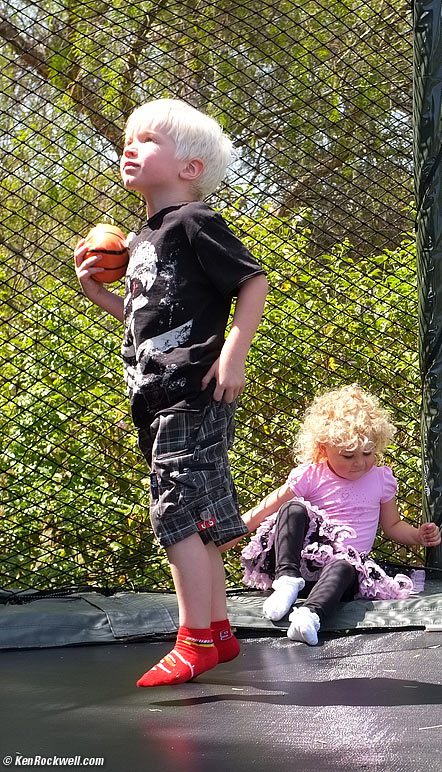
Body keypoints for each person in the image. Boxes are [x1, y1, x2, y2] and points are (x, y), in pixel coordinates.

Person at [74, 99, 268, 687]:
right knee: (200, 517)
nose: (130, 147)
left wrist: (234, 352)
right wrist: (98, 294)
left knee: (175, 514)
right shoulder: (143, 239)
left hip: (190, 391)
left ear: (190, 167)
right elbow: (144, 322)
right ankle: (219, 632)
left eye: (149, 140)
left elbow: (251, 280)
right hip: (156, 396)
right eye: (128, 140)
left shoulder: (194, 223)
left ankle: (193, 641)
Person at [235, 384, 441, 646]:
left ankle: (309, 616)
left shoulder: (381, 479)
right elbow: (266, 508)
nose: (360, 462)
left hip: (341, 578)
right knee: (293, 508)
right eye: (348, 455)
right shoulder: (311, 475)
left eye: (368, 453)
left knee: (345, 564)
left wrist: (418, 535)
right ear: (323, 448)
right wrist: (224, 538)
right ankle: (286, 580)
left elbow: (393, 525)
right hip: (304, 566)